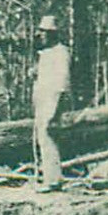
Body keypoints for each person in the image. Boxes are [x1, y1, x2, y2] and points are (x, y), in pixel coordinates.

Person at [33, 16, 71, 193]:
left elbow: (62, 81)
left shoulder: (61, 52)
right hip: (43, 100)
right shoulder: (47, 53)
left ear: (52, 34)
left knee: (49, 137)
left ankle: (53, 179)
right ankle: (49, 176)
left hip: (53, 99)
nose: (41, 36)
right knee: (43, 138)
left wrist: (55, 108)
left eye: (44, 33)